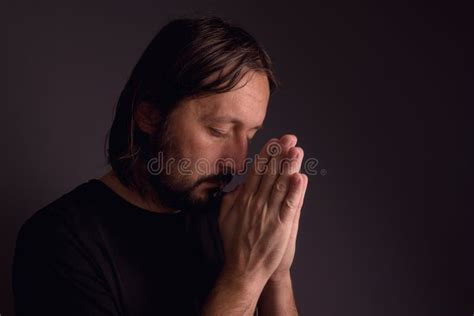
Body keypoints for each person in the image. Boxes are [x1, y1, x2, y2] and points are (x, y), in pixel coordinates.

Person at [12, 16, 308, 315]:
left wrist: (276, 273)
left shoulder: (233, 227)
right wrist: (245, 276)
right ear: (150, 116)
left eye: (249, 135)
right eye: (218, 130)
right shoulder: (56, 241)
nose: (237, 161)